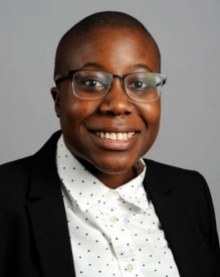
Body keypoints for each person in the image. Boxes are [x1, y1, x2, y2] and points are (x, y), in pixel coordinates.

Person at [0, 11, 219, 277]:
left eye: (140, 83)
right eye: (91, 82)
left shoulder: (189, 192)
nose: (117, 105)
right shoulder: (6, 198)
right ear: (58, 101)